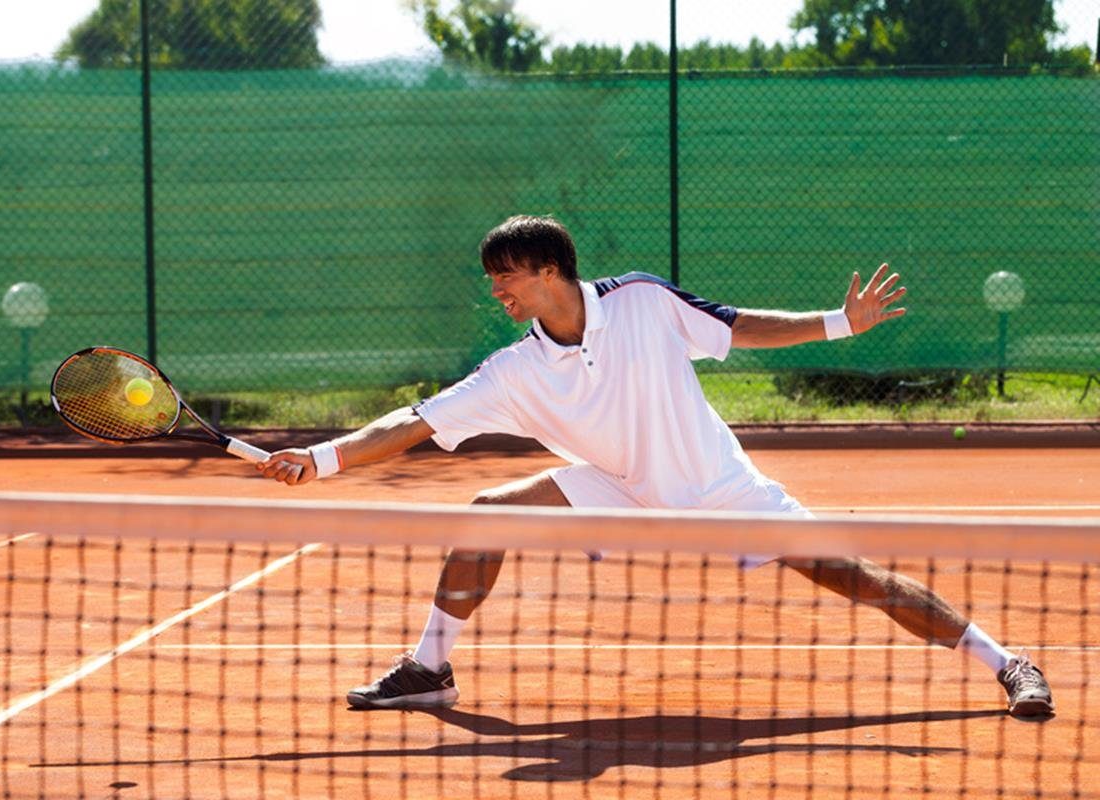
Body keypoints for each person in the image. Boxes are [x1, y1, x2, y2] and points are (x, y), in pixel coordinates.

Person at [257, 215, 1054, 719]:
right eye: (493, 277)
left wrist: (840, 323)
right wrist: (320, 459)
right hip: (614, 484)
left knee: (861, 581)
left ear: (548, 271)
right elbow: (415, 421)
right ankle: (429, 669)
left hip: (719, 486)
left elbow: (739, 328)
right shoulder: (512, 370)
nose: (496, 288)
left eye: (505, 274)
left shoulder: (641, 300)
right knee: (488, 511)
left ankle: (1006, 661)